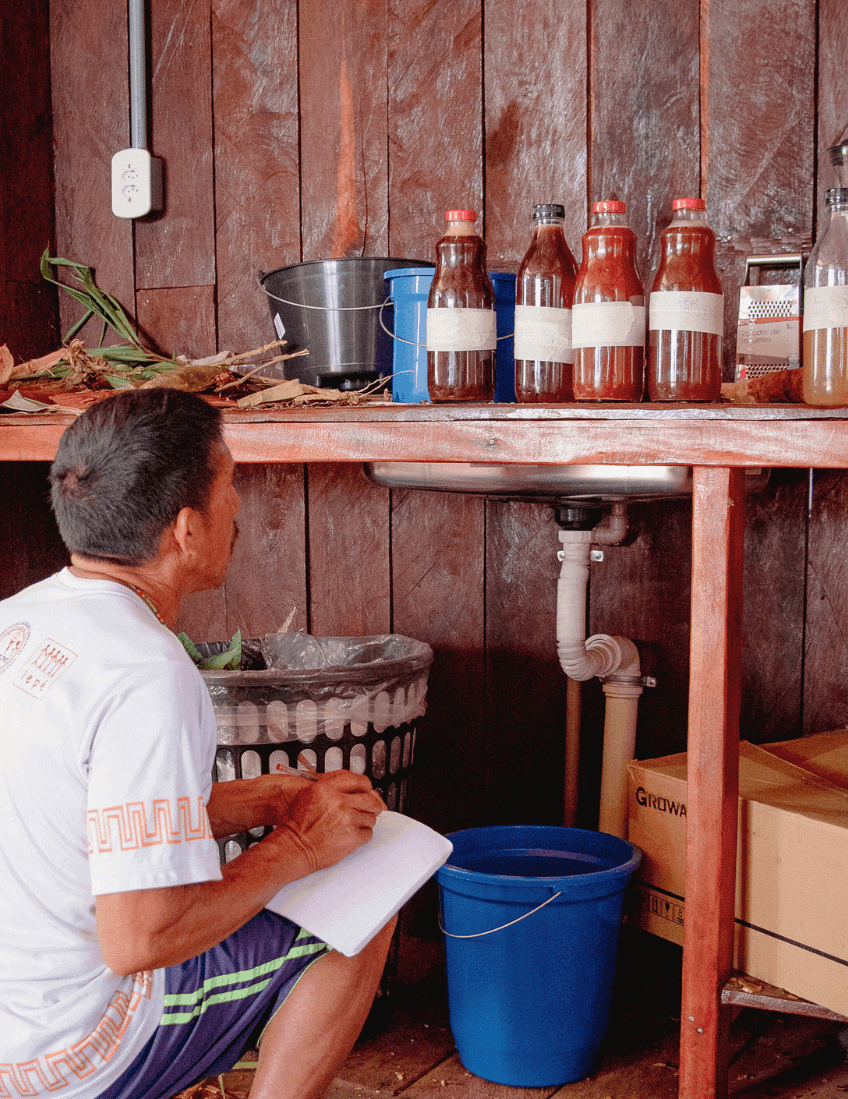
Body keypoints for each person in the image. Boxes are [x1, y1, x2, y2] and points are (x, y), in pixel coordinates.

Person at [0, 388, 392, 1099]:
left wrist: (263, 800)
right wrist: (296, 847)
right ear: (186, 529)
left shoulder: (19, 620)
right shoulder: (147, 671)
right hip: (72, 1056)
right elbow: (140, 939)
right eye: (230, 482)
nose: (237, 506)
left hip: (13, 1026)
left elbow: (76, 817)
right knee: (370, 901)